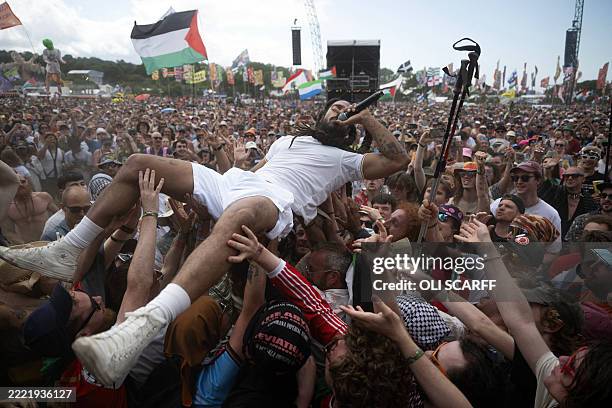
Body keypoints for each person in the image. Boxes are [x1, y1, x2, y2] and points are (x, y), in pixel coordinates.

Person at [0, 99, 410, 387]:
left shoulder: (345, 159)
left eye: (346, 111)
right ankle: (69, 247)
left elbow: (396, 159)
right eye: (334, 107)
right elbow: (258, 172)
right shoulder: (286, 141)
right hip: (239, 184)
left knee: (238, 217)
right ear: (320, 114)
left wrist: (365, 117)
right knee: (139, 165)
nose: (339, 111)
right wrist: (219, 174)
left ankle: (145, 324)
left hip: (271, 204)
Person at [454, 219, 612, 408]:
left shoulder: (532, 367)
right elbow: (521, 321)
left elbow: (483, 323)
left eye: (570, 367)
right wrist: (486, 246)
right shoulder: (549, 368)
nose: (560, 361)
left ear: (552, 323)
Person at [1, 174, 58, 244]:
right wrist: (24, 245)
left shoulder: (43, 197)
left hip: (50, 242)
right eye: (16, 183)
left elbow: (60, 216)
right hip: (26, 245)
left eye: (23, 181)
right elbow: (8, 231)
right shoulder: (7, 206)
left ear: (28, 182)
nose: (20, 185)